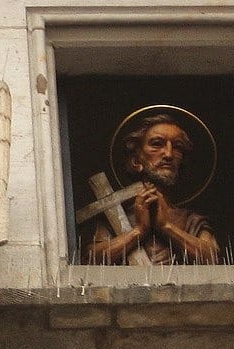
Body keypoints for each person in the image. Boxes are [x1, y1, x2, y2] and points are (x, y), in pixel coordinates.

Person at [84, 112, 219, 265]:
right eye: (157, 144)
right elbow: (90, 261)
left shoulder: (191, 221)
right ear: (136, 161)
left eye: (177, 147)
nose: (168, 154)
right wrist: (139, 230)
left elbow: (213, 260)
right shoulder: (114, 215)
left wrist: (166, 226)